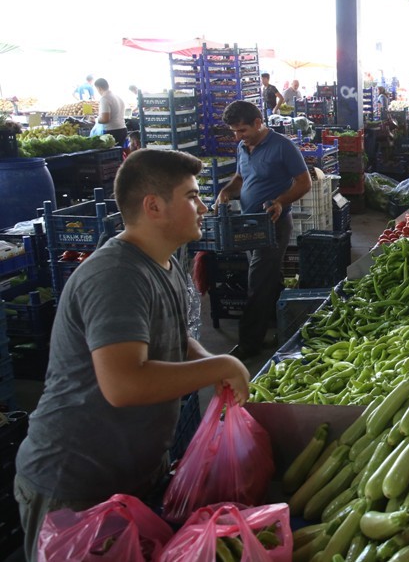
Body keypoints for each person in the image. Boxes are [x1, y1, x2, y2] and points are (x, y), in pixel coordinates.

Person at [14, 149, 251, 561]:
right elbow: (123, 384)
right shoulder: (117, 276)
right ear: (154, 206)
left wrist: (205, 366)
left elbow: (174, 342)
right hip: (75, 486)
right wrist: (222, 364)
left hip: (131, 475)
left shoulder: (163, 262)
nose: (203, 205)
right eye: (192, 196)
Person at [216, 100, 312, 358]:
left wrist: (281, 201)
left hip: (274, 224)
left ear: (258, 123)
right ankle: (282, 328)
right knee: (267, 279)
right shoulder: (243, 147)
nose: (238, 136)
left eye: (243, 130)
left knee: (258, 282)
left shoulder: (283, 146)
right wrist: (226, 192)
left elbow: (305, 183)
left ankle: (248, 345)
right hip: (249, 224)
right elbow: (240, 179)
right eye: (234, 131)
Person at [94, 77, 128, 146]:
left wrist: (96, 119)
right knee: (120, 153)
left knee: (111, 154)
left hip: (112, 132)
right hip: (122, 128)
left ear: (99, 88)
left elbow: (105, 119)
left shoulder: (104, 98)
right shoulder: (118, 97)